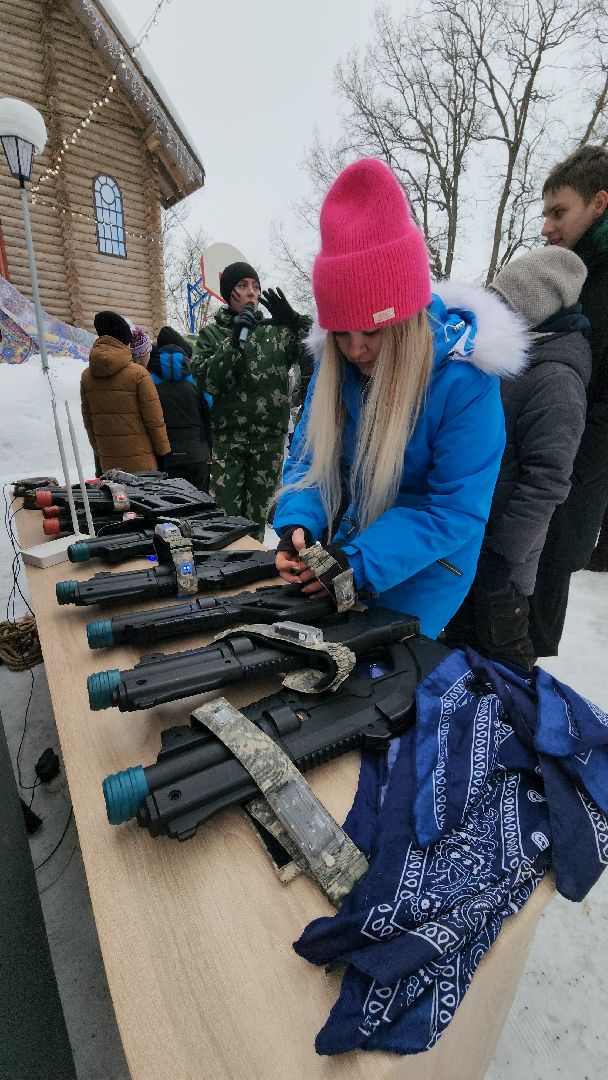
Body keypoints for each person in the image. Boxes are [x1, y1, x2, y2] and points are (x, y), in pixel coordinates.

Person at [273, 158, 528, 639]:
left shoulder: (466, 383)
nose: (354, 348)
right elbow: (309, 459)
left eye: (371, 329)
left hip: (428, 571)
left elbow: (454, 509)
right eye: (340, 332)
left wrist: (359, 561)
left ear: (405, 319)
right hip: (345, 550)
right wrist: (297, 525)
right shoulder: (335, 368)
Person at [443, 247, 591, 668]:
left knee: (504, 662)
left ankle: (523, 727)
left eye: (503, 304)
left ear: (533, 307)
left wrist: (502, 557)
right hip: (473, 544)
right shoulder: (516, 362)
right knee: (458, 657)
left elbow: (547, 482)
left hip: (504, 567)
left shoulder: (556, 379)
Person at [526, 146, 608, 653]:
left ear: (599, 203)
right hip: (542, 468)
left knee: (536, 601)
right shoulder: (574, 275)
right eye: (545, 214)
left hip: (568, 478)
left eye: (560, 212)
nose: (546, 227)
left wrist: (558, 471)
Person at [192, 261, 311, 539]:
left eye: (256, 286)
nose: (252, 293)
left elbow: (319, 344)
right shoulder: (212, 335)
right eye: (242, 286)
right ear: (227, 293)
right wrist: (234, 340)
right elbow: (208, 380)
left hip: (268, 444)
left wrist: (295, 320)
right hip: (229, 443)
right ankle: (225, 569)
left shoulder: (275, 332)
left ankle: (251, 567)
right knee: (225, 518)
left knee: (258, 519)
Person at [80, 310, 170, 474]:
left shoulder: (87, 377)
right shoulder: (139, 375)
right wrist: (163, 454)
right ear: (125, 341)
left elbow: (89, 424)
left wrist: (101, 455)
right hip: (143, 465)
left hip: (109, 465)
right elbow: (155, 422)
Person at [148, 325, 212, 492]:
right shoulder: (197, 378)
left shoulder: (147, 379)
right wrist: (211, 449)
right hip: (197, 454)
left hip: (164, 457)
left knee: (170, 507)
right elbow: (209, 415)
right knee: (201, 505)